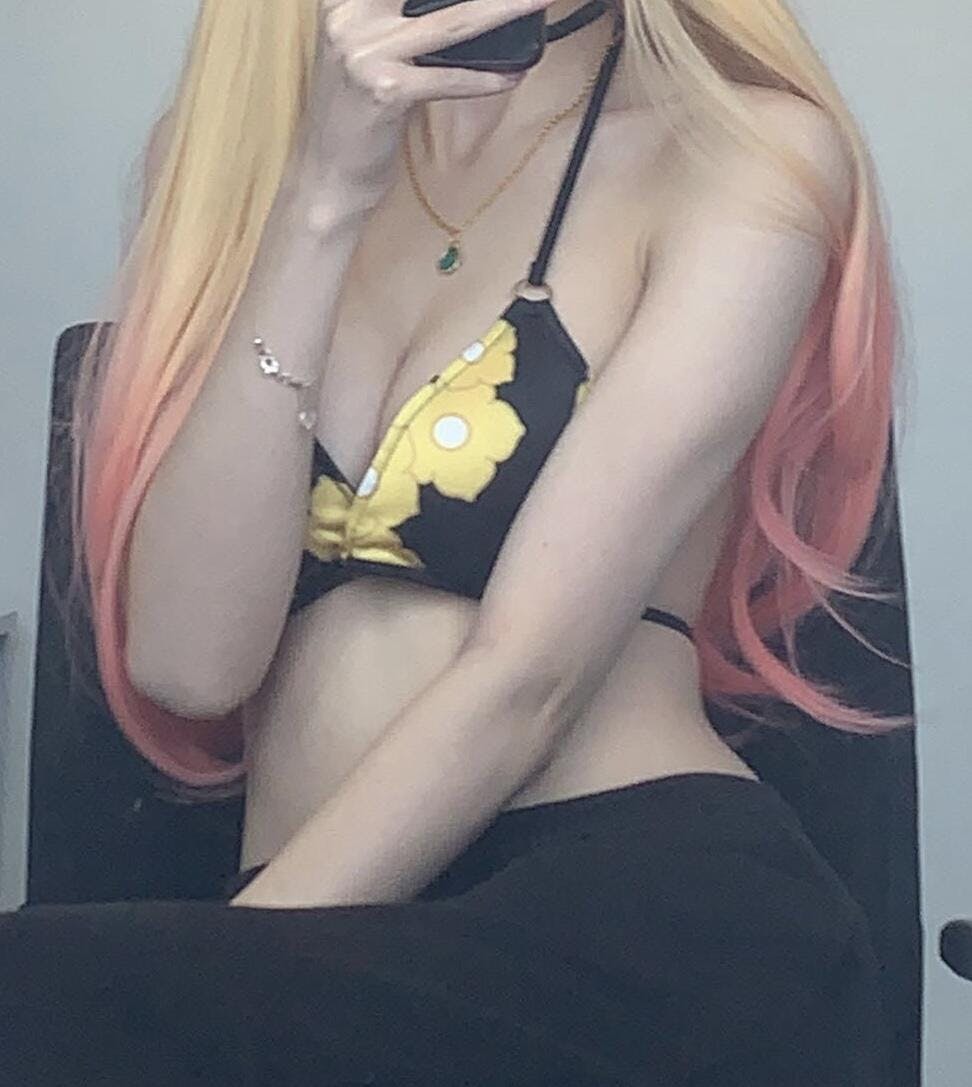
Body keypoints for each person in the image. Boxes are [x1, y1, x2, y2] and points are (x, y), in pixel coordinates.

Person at [0, 0, 909, 1083]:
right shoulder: (240, 169)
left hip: (623, 910)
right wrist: (321, 196)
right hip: (316, 941)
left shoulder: (743, 154)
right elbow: (189, 661)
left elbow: (529, 678)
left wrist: (211, 983)